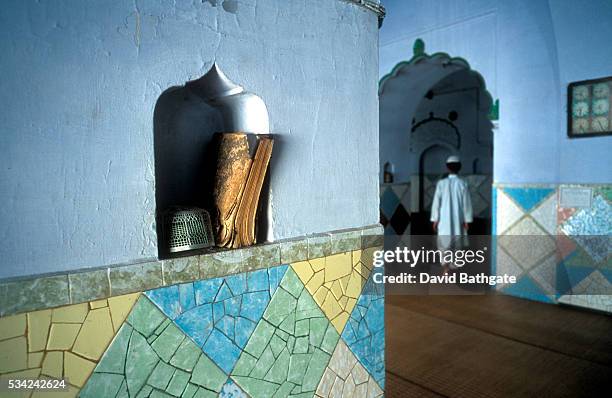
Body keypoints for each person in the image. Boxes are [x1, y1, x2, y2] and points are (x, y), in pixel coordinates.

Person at [430, 155, 473, 275]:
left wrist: (435, 219)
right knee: (457, 242)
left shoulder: (441, 183)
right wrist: (467, 220)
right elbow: (466, 203)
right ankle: (454, 268)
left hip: (443, 220)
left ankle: (445, 268)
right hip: (458, 219)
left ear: (447, 168)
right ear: (459, 168)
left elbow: (436, 203)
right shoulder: (462, 183)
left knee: (443, 243)